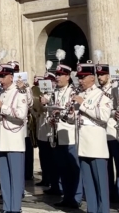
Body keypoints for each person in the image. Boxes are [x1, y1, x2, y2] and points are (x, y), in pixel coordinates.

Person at [74, 61, 112, 213]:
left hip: (96, 146)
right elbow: (75, 119)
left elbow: (103, 116)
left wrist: (83, 105)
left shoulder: (102, 95)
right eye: (79, 77)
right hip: (83, 144)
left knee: (100, 184)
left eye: (83, 77)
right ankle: (92, 210)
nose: (80, 80)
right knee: (88, 184)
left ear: (92, 78)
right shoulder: (80, 95)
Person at [0, 62, 28, 213]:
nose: (0, 80)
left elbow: (22, 114)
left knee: (15, 177)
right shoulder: (2, 93)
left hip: (14, 140)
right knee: (5, 177)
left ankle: (15, 208)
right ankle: (7, 207)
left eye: (2, 77)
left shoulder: (20, 92)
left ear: (10, 76)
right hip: (2, 140)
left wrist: (3, 107)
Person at [48, 63, 82, 208]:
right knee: (62, 168)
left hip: (70, 134)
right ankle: (67, 197)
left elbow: (76, 113)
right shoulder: (55, 92)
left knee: (74, 169)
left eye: (60, 75)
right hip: (57, 135)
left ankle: (76, 197)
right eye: (56, 75)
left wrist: (62, 114)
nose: (57, 77)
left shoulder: (74, 92)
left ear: (68, 77)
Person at [97, 63, 119, 203]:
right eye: (98, 75)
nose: (100, 77)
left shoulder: (114, 89)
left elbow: (115, 107)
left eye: (102, 75)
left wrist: (112, 113)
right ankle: (110, 193)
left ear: (108, 75)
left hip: (112, 131)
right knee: (106, 166)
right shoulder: (97, 91)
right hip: (101, 133)